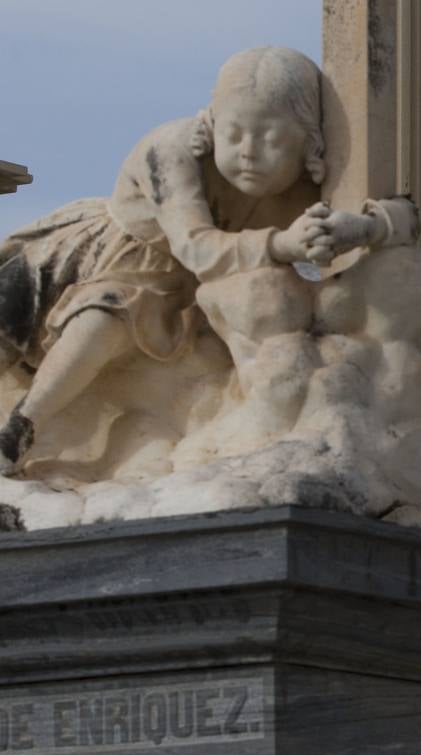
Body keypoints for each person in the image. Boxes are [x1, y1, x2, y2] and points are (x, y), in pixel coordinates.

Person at [0, 46, 400, 475]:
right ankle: (19, 429)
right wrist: (283, 244)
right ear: (210, 124)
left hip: (183, 291)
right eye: (234, 134)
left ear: (310, 142)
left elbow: (405, 214)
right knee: (96, 312)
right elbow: (196, 248)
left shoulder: (306, 184)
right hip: (95, 260)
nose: (248, 150)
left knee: (110, 317)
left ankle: (22, 430)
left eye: (271, 138)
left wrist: (362, 229)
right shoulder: (173, 151)